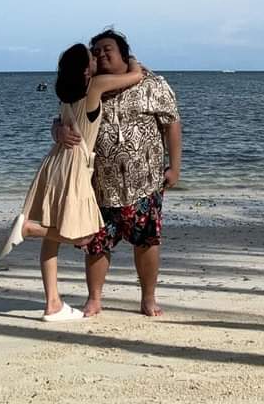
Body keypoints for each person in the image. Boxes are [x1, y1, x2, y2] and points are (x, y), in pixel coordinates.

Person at [0, 42, 144, 321]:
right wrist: (132, 59)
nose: (97, 61)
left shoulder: (65, 97)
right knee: (84, 235)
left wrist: (56, 130)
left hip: (54, 162)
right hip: (76, 166)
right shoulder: (95, 87)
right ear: (85, 69)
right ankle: (28, 228)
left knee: (52, 236)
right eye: (92, 59)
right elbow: (135, 76)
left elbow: (59, 122)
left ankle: (52, 303)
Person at [55, 29, 181, 318]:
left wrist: (175, 167)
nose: (101, 54)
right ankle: (94, 299)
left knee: (147, 241)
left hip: (145, 182)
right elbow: (64, 117)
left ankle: (148, 298)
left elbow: (172, 123)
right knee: (97, 244)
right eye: (96, 51)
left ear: (124, 53)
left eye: (107, 48)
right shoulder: (86, 86)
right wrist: (58, 131)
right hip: (99, 184)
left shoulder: (153, 84)